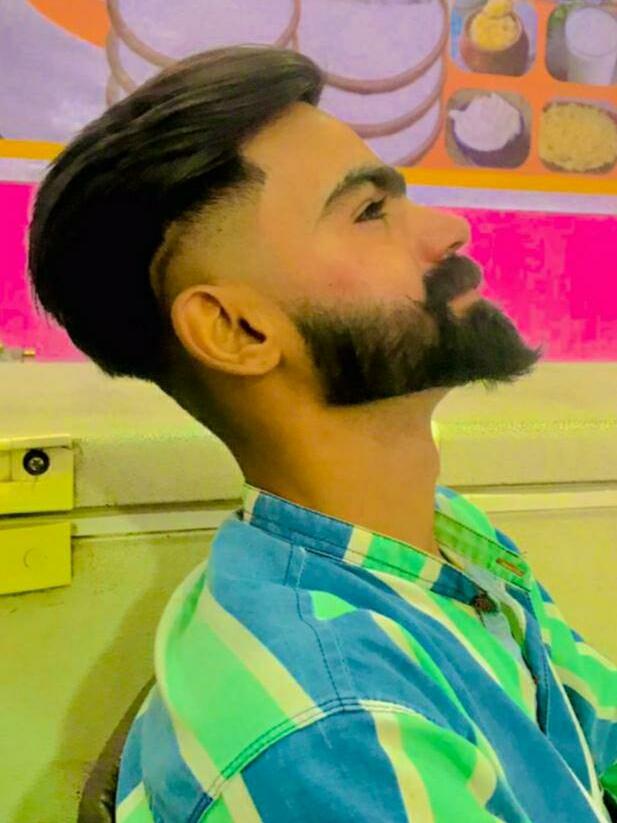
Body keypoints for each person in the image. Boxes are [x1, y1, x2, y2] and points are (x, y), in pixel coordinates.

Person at [28, 46, 616, 823]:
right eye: (368, 212)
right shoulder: (337, 735)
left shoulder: (442, 534)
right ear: (236, 328)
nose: (451, 227)